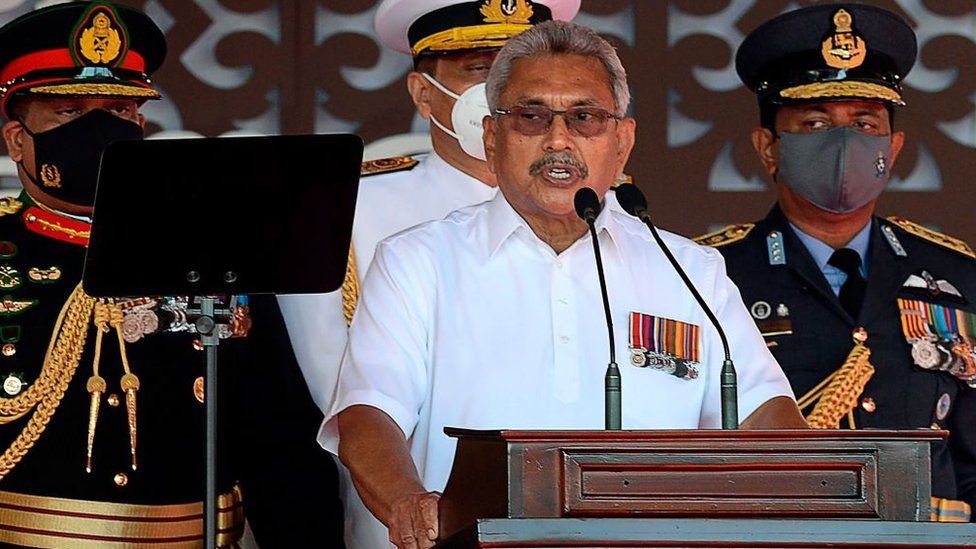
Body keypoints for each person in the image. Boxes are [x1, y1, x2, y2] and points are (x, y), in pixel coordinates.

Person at [325, 20, 807, 549]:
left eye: (584, 118)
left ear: (621, 142)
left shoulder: (690, 270)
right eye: (531, 117)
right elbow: (369, 413)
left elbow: (766, 412)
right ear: (491, 137)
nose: (558, 139)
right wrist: (405, 500)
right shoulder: (417, 262)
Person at [0, 2, 341, 547]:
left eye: (118, 113)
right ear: (17, 139)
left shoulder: (213, 251)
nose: (99, 130)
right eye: (69, 113)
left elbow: (277, 440)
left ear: (140, 124)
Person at [277, 1, 579, 547]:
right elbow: (347, 408)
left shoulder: (604, 214)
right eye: (479, 70)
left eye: (518, 72)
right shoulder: (343, 209)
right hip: (411, 531)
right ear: (422, 94)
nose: (503, 92)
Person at [695, 3, 975, 522]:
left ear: (892, 148)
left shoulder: (957, 278)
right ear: (768, 147)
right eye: (815, 123)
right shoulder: (710, 275)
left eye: (864, 123)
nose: (843, 142)